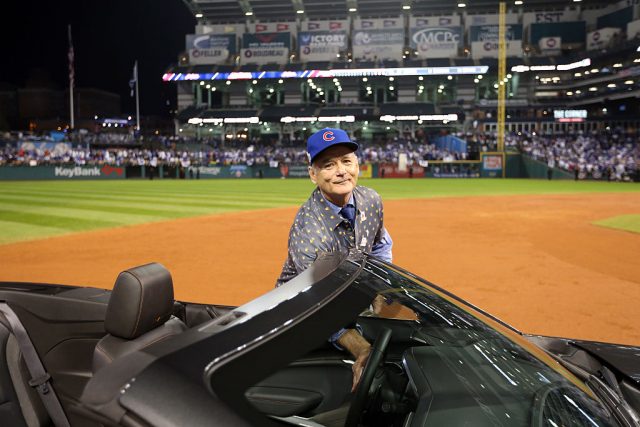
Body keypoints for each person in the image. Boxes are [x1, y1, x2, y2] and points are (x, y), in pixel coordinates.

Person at [276, 128, 393, 392]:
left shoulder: (371, 200)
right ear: (312, 175)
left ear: (357, 165)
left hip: (346, 295)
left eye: (346, 161)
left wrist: (378, 290)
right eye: (328, 165)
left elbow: (381, 244)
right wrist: (359, 347)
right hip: (300, 314)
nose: (341, 171)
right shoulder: (309, 231)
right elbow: (315, 305)